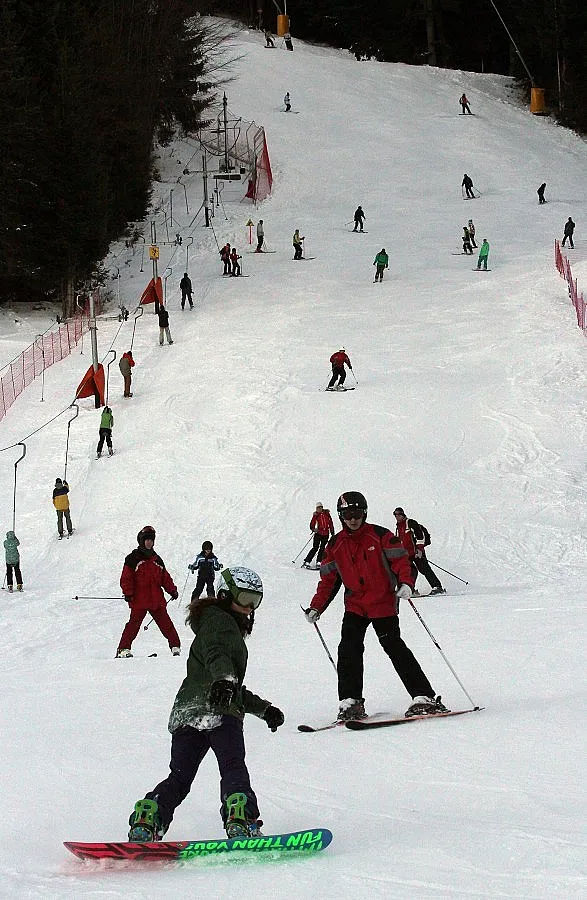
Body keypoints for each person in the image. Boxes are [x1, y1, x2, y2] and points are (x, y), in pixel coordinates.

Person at [127, 566, 284, 841]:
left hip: (187, 712)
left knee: (179, 778)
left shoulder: (211, 623)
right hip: (219, 712)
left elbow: (230, 685)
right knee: (233, 767)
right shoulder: (222, 623)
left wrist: (263, 708)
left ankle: (150, 817)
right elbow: (217, 655)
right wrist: (224, 679)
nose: (249, 608)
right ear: (225, 595)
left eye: (255, 601)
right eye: (245, 598)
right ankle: (241, 819)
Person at [304, 492, 445, 721]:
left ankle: (424, 696)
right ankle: (351, 702)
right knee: (348, 649)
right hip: (355, 606)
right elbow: (328, 581)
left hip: (383, 603)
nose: (353, 519)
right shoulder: (335, 544)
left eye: (357, 513)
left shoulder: (380, 535)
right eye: (348, 514)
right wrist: (316, 607)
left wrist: (406, 583)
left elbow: (401, 561)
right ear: (340, 516)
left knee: (394, 646)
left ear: (365, 513)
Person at [117, 525, 181, 658]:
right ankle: (123, 649)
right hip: (139, 600)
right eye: (147, 540)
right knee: (133, 625)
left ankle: (175, 647)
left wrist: (172, 590)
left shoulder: (157, 560)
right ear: (141, 541)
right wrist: (128, 593)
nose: (149, 542)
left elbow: (165, 578)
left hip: (156, 600)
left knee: (166, 624)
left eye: (151, 540)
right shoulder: (133, 558)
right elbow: (126, 578)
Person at [393, 508, 445, 595]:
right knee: (409, 571)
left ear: (403, 514)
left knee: (424, 568)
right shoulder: (398, 527)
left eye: (399, 514)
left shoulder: (410, 523)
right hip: (407, 554)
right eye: (395, 515)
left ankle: (437, 587)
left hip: (416, 552)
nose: (397, 516)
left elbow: (420, 535)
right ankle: (411, 590)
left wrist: (419, 549)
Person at [302, 503, 335, 569]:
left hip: (326, 534)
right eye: (318, 508)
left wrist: (332, 532)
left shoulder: (327, 514)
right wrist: (313, 529)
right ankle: (307, 561)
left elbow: (330, 523)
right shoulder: (316, 515)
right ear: (316, 508)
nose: (319, 509)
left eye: (320, 507)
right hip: (318, 533)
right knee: (315, 548)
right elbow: (312, 523)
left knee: (322, 548)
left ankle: (319, 561)